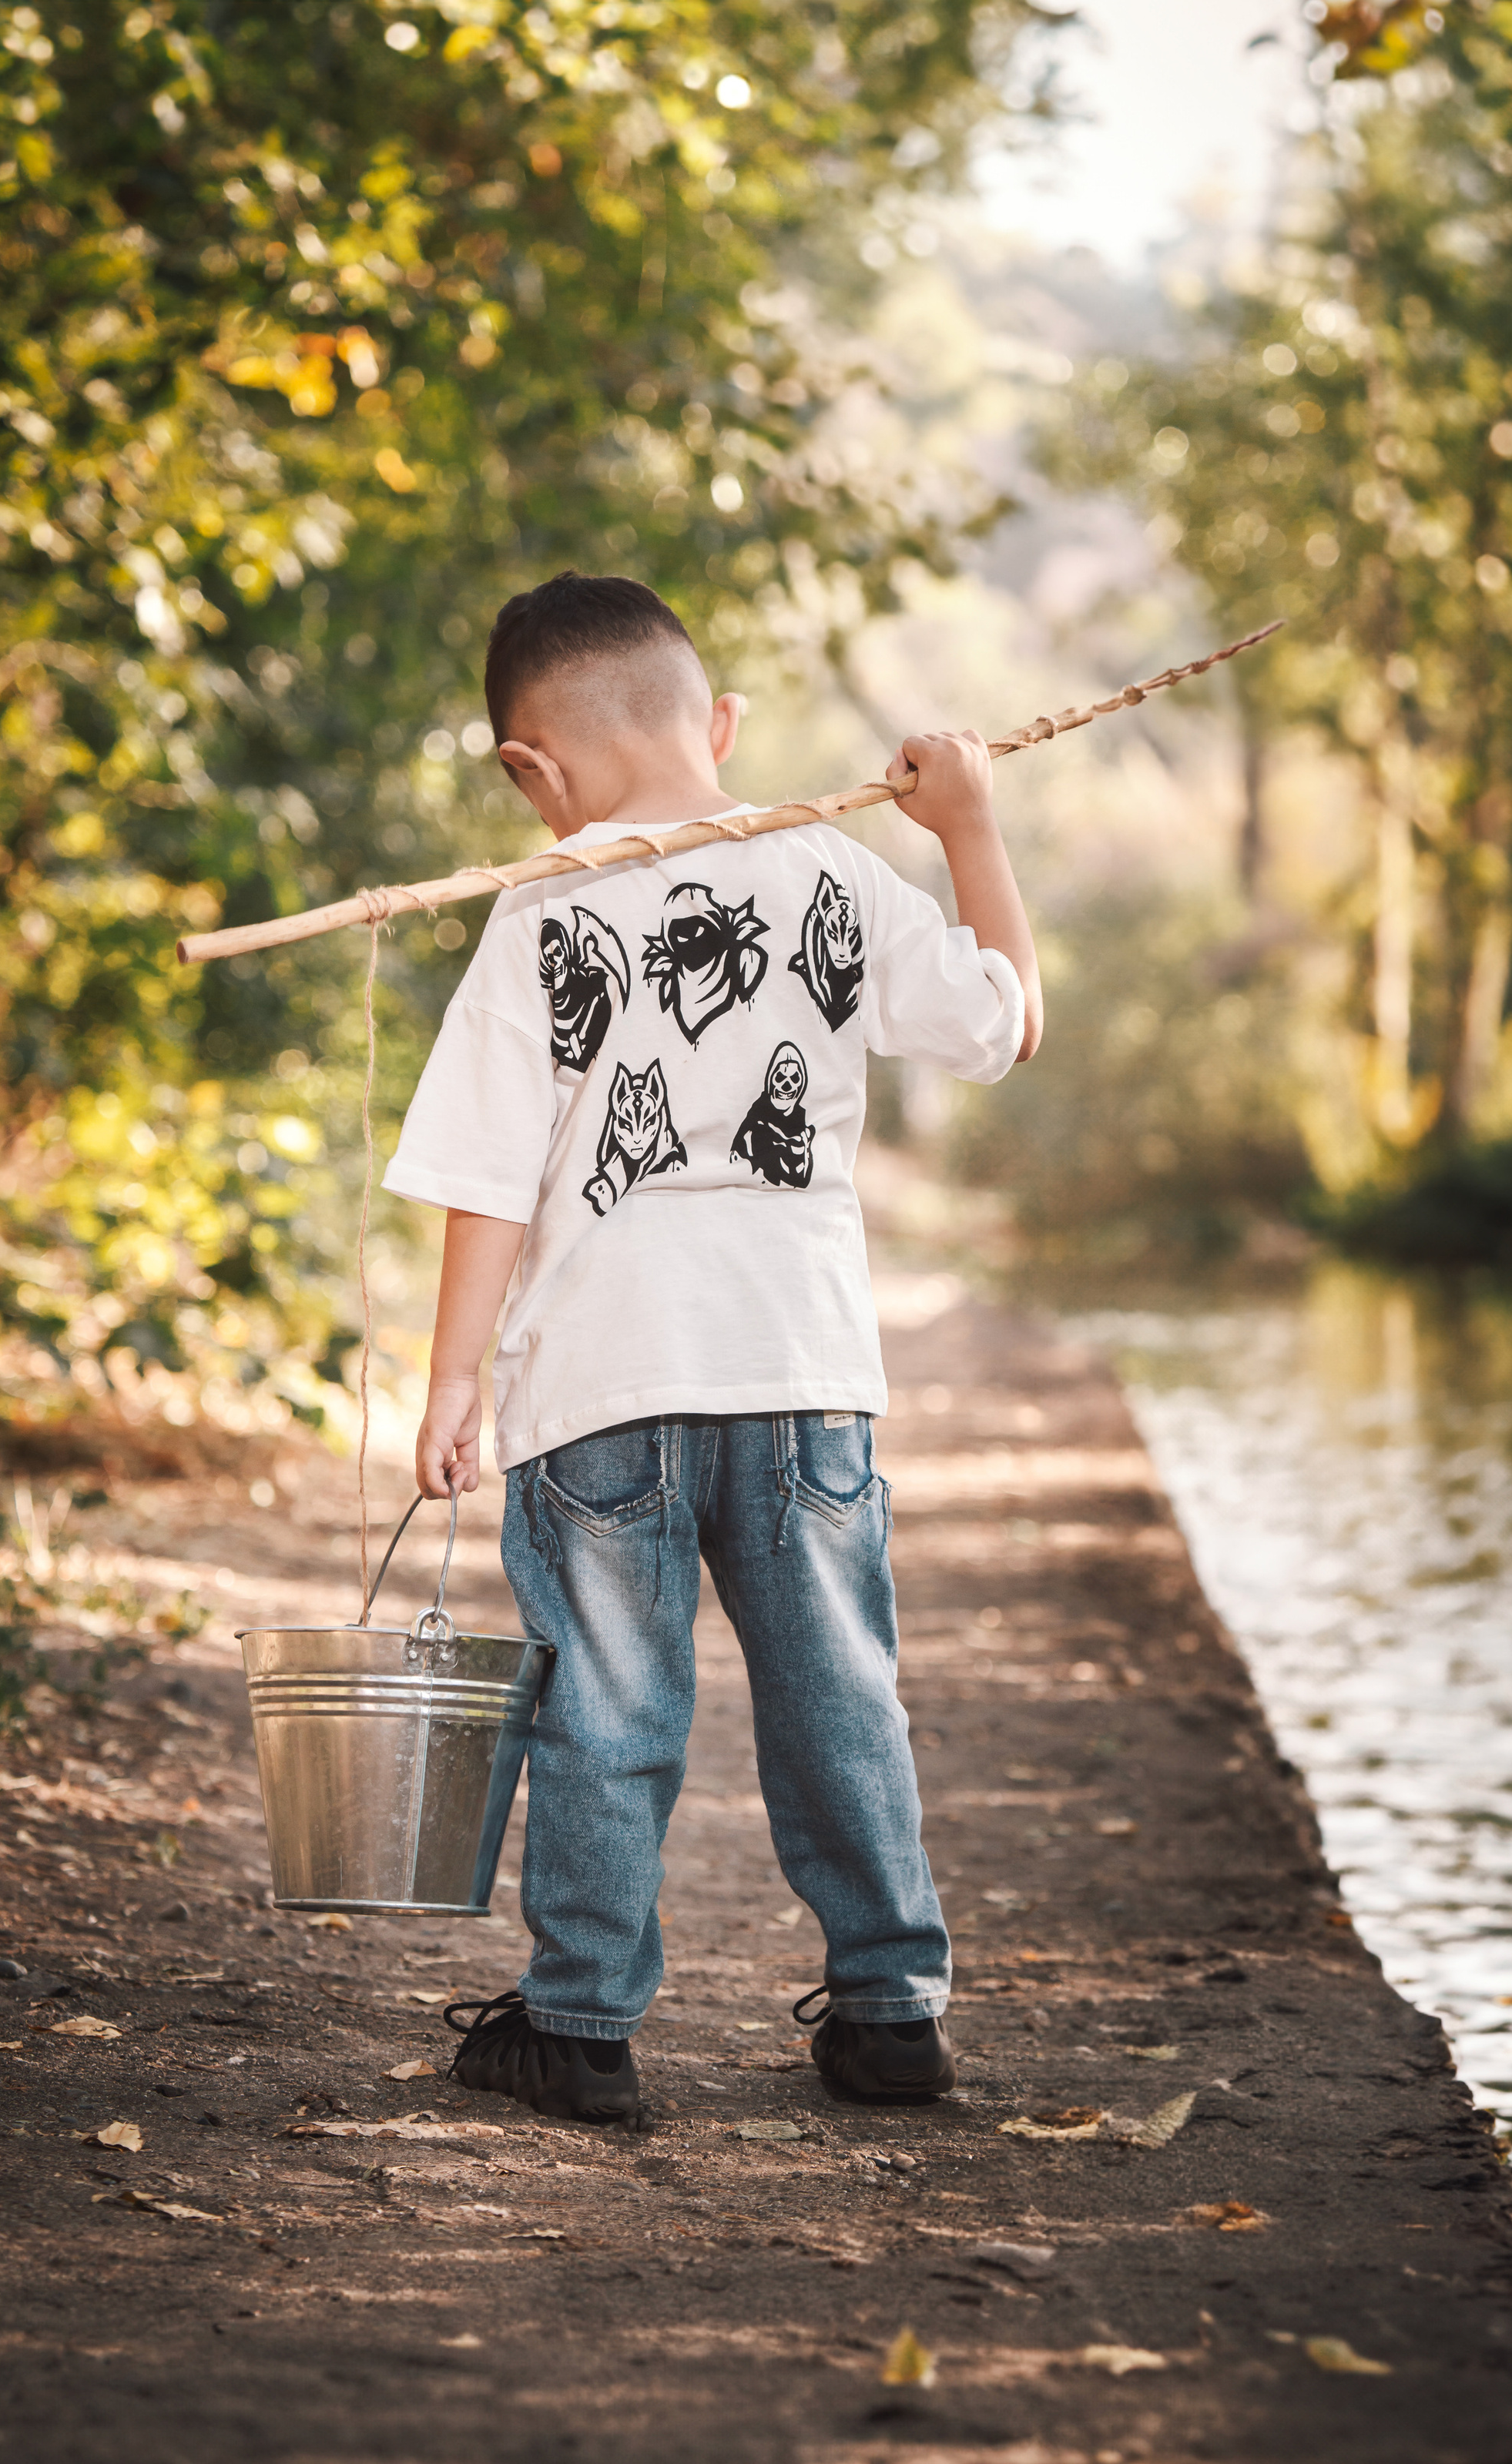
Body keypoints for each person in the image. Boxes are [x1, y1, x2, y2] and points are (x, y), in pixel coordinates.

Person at [381, 571, 1042, 2122]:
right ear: (723, 724)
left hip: (602, 1383)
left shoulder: (540, 907)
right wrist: (969, 829)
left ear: (528, 769)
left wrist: (454, 1380)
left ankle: (580, 2025)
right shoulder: (831, 868)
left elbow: (487, 1179)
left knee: (606, 1712)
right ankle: (891, 2011)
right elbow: (1004, 1021)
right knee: (839, 1695)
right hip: (800, 1374)